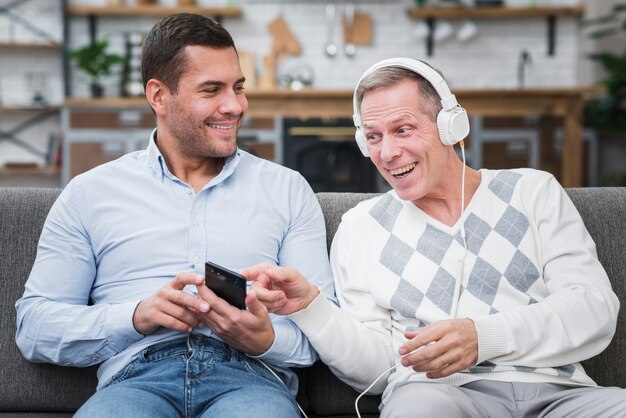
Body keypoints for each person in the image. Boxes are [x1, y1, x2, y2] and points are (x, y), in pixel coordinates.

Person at [244, 57, 626, 417]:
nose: (388, 152)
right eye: (373, 136)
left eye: (403, 129)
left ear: (450, 126)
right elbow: (374, 370)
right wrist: (310, 307)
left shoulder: (532, 191)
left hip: (562, 394)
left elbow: (593, 309)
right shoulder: (362, 226)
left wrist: (483, 336)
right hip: (436, 394)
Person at [15, 13, 335, 418]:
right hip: (135, 379)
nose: (234, 106)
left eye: (238, 87)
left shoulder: (287, 190)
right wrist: (135, 316)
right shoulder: (89, 194)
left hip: (251, 377)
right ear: (158, 96)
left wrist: (266, 339)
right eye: (212, 90)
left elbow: (329, 325)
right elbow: (35, 327)